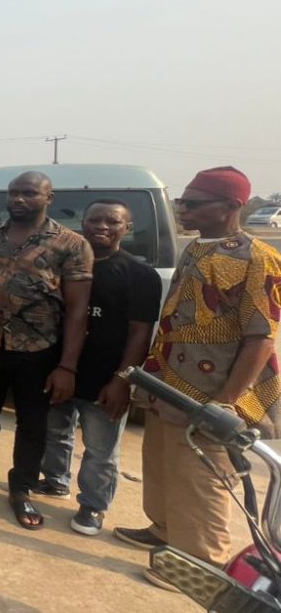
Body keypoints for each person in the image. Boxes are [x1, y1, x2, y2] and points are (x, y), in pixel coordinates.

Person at [115, 167, 281, 590]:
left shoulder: (258, 257)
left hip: (214, 391)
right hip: (170, 382)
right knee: (164, 462)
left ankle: (200, 561)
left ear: (231, 206)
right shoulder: (197, 249)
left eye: (193, 202)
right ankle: (167, 531)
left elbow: (261, 338)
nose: (182, 209)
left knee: (204, 473)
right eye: (183, 201)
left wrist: (227, 401)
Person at [0, 171, 92, 530]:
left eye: (29, 193)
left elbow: (77, 310)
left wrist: (67, 366)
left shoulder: (71, 245)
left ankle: (21, 489)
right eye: (13, 193)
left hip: (38, 351)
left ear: (48, 198)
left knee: (32, 426)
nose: (18, 199)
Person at [35, 200, 160, 536]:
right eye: (94, 220)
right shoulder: (65, 266)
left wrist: (122, 380)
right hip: (60, 369)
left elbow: (140, 333)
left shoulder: (139, 275)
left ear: (126, 228)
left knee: (101, 450)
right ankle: (54, 480)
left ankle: (93, 506)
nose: (102, 226)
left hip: (105, 377)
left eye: (112, 221)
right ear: (83, 223)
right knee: (55, 432)